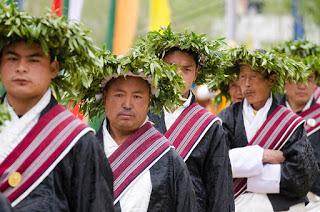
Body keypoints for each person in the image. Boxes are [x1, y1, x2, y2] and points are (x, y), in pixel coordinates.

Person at [0, 4, 114, 211]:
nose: (21, 68)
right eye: (12, 58)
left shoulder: (78, 142)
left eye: (33, 59)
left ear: (53, 68)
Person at [135, 27, 234, 212]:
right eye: (170, 68)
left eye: (186, 69)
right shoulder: (138, 115)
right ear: (158, 69)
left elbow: (220, 189)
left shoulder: (210, 127)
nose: (178, 75)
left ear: (196, 73)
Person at [83, 52, 196, 211]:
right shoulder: (82, 153)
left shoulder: (168, 159)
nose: (127, 104)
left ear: (149, 101)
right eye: (119, 94)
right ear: (104, 97)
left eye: (137, 96)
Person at [219, 47, 317, 211]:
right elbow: (218, 162)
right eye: (243, 77)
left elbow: (301, 176)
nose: (247, 84)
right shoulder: (227, 118)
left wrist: (244, 173)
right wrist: (262, 156)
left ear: (271, 79)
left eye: (254, 77)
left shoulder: (289, 122)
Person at [275, 40, 320, 211]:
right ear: (284, 81)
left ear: (315, 82)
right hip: (275, 195)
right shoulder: (271, 110)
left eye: (308, 78)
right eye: (296, 78)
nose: (303, 85)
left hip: (315, 198)